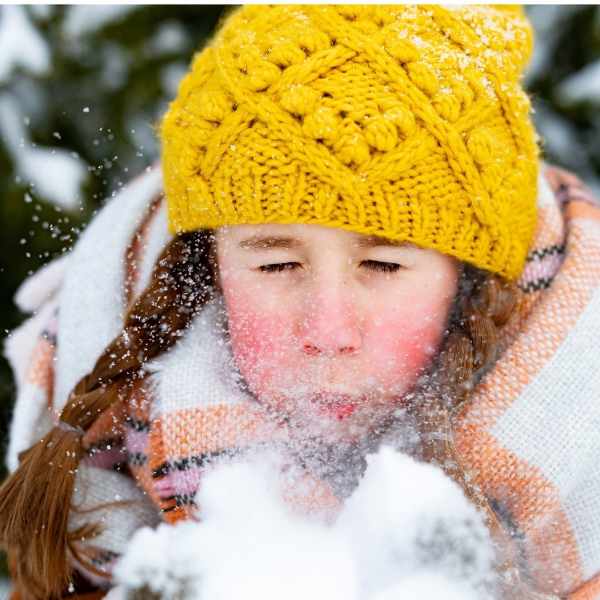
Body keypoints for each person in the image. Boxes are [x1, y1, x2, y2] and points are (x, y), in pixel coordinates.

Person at [2, 5, 600, 599]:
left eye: (383, 264)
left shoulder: (576, 447)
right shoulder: (91, 493)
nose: (328, 328)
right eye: (277, 264)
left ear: (468, 280)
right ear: (207, 267)